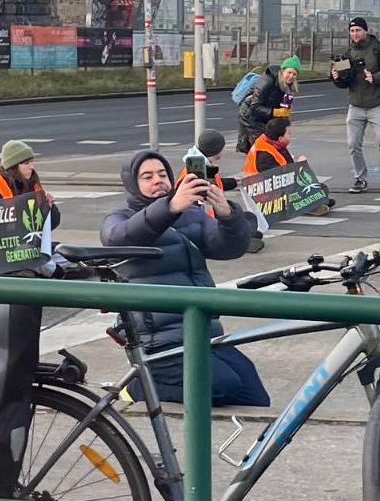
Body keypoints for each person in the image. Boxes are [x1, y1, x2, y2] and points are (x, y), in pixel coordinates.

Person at [100, 150, 270, 408]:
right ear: (134, 185)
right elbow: (118, 238)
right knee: (222, 386)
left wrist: (227, 214)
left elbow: (228, 248)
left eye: (161, 174)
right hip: (160, 341)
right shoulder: (119, 218)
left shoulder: (191, 215)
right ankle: (137, 387)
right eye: (147, 176)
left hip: (202, 332)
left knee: (254, 396)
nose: (157, 180)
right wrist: (169, 208)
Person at [330, 16, 380, 194]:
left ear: (365, 31)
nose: (355, 34)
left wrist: (374, 78)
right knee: (353, 144)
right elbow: (344, 82)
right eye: (352, 31)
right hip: (356, 106)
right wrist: (336, 78)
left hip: (377, 104)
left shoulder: (378, 48)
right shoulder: (347, 54)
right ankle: (360, 179)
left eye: (358, 30)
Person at [180, 129, 264, 252]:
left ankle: (245, 237)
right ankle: (241, 242)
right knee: (247, 218)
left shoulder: (199, 165)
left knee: (248, 219)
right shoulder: (199, 172)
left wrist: (235, 182)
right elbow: (200, 201)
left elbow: (217, 184)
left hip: (206, 218)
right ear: (217, 150)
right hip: (207, 222)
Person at [243, 118, 335, 216]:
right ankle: (308, 206)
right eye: (288, 133)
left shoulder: (275, 144)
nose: (290, 135)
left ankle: (313, 204)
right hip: (266, 196)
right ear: (280, 138)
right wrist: (300, 166)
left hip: (278, 188)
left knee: (320, 188)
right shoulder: (264, 155)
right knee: (314, 190)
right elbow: (279, 181)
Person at [0, 139, 60, 226]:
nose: (31, 167)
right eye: (26, 163)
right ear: (13, 166)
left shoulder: (32, 184)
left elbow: (51, 224)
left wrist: (49, 207)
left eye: (31, 162)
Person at [237, 55, 299, 154]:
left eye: (294, 74)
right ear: (282, 71)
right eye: (289, 72)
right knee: (260, 150)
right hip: (250, 117)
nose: (291, 76)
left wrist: (285, 114)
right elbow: (255, 106)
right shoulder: (267, 80)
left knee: (270, 147)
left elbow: (279, 106)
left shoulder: (287, 87)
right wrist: (276, 112)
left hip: (265, 119)